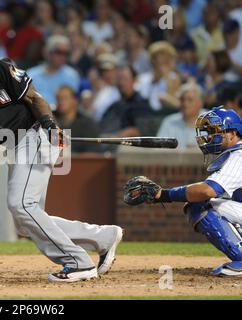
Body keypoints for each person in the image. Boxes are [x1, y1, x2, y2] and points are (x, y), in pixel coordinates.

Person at [0, 27, 123, 282]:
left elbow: (34, 98)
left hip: (35, 133)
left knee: (20, 205)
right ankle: (102, 236)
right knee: (26, 220)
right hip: (14, 147)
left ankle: (78, 262)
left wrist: (50, 124)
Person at [124, 106, 242, 276]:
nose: (208, 136)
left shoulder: (238, 156)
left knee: (201, 205)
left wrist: (163, 194)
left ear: (232, 133)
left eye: (214, 131)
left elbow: (207, 191)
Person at [27, 35, 80, 108]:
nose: (63, 57)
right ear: (47, 52)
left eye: (66, 53)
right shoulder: (32, 74)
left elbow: (70, 104)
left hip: (60, 116)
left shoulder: (71, 75)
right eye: (59, 52)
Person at [100, 66, 153, 140]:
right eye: (119, 79)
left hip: (129, 146)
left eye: (125, 79)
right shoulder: (115, 106)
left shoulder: (141, 104)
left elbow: (143, 131)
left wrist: (122, 134)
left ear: (134, 80)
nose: (121, 83)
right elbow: (102, 127)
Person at [157, 82, 207, 149]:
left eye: (190, 100)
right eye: (182, 100)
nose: (185, 104)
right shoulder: (169, 122)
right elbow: (159, 149)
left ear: (200, 103)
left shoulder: (211, 121)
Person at [53, 86, 101, 153]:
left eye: (64, 98)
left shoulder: (88, 124)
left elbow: (93, 151)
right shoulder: (51, 121)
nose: (60, 102)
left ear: (74, 100)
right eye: (58, 99)